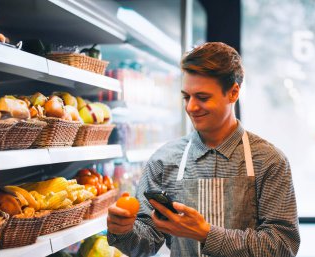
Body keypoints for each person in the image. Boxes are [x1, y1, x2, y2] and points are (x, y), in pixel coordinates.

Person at [107, 42, 300, 257]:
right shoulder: (164, 160)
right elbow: (146, 242)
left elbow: (283, 246)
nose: (191, 107)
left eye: (202, 97)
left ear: (233, 92)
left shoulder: (269, 161)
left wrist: (206, 234)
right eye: (186, 97)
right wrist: (123, 231)